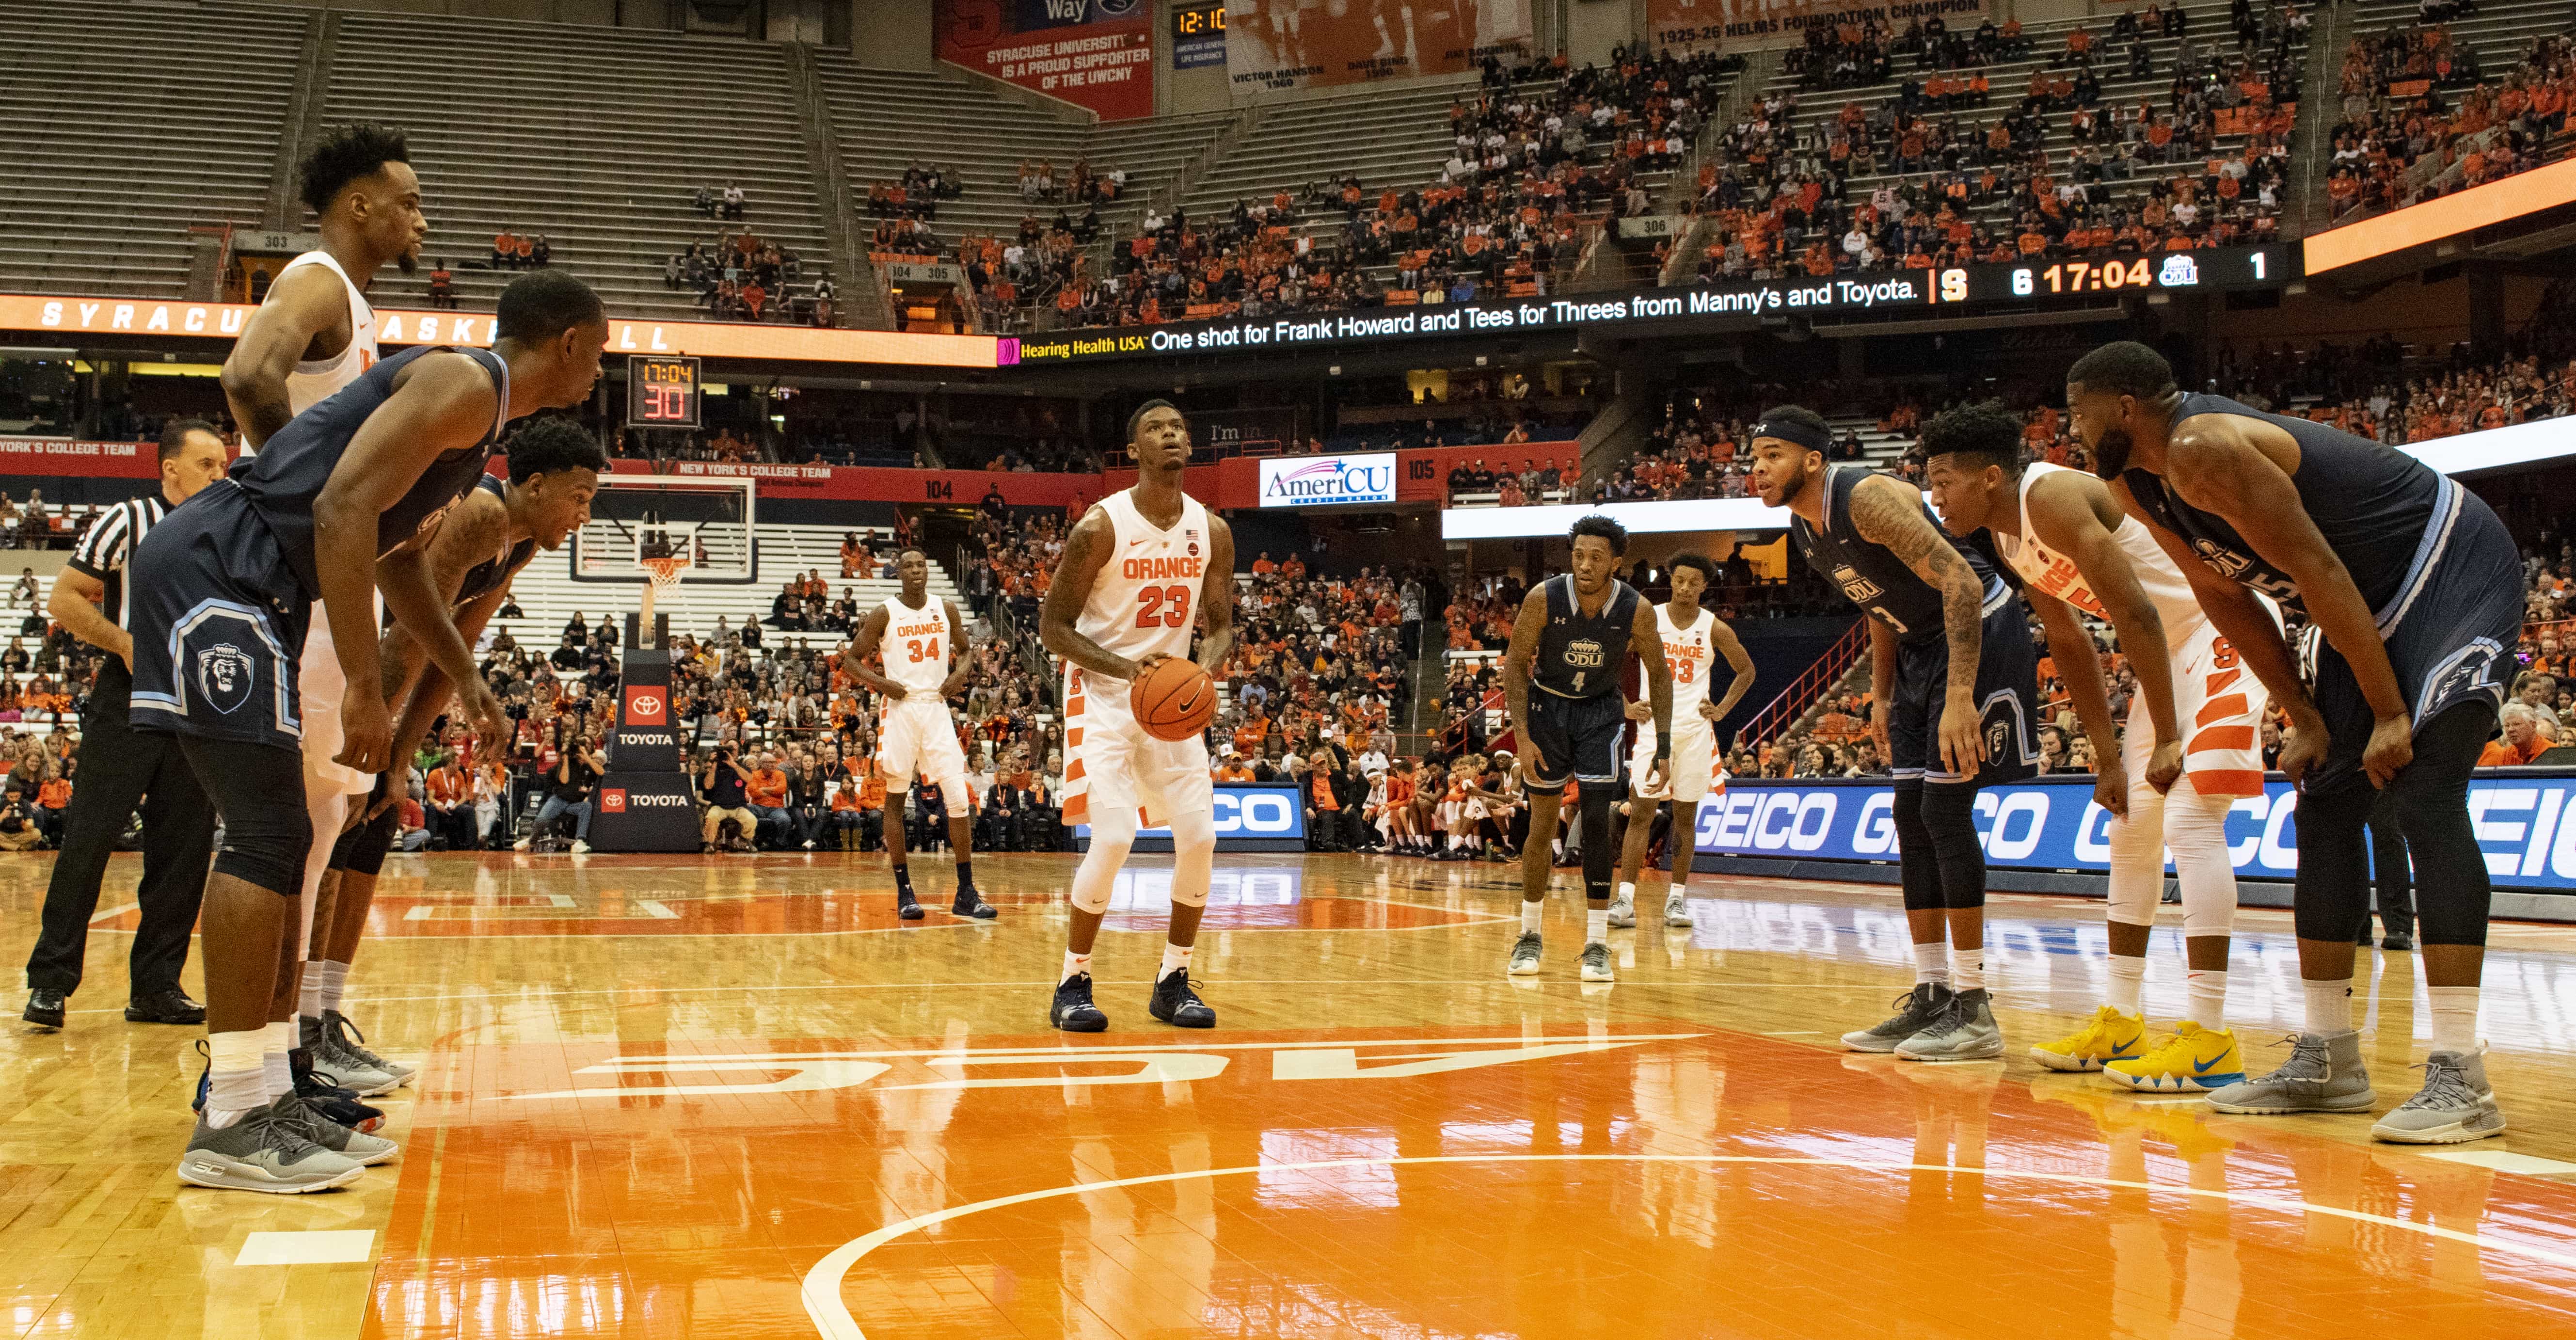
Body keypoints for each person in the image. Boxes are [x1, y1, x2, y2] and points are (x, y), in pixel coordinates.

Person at [131, 266, 606, 1194]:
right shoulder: (466, 384)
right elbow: (338, 510)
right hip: (215, 570)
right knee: (268, 834)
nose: (601, 371)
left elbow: (393, 559)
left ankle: (266, 1090)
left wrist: (464, 679)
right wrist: (361, 683)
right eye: (600, 351)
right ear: (571, 345)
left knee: (283, 835)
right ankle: (232, 1112)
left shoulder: (479, 416)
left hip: (251, 581)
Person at [2069, 340, 2522, 1143]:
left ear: (2123, 407)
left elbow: (2314, 566)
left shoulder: (2201, 446)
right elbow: (2221, 592)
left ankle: (2460, 1072)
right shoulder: (2129, 480)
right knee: (2321, 802)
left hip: (2446, 567)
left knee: (2419, 790)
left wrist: (2385, 710)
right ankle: (2328, 1057)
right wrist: (2303, 716)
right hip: (2358, 606)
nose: (2070, 429)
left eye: (2077, 411)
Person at [1922, 401, 2270, 1093]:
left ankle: (2208, 1041)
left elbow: (2137, 612)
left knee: (2193, 820)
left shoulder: (2049, 495)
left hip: (2221, 632)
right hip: (2167, 656)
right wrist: (2108, 757)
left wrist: (2166, 736)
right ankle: (2121, 1019)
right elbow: (2069, 639)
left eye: (1943, 481)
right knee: (2130, 830)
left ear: (1990, 477)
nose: (1934, 497)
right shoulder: (2006, 538)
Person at [212, 122, 431, 1110]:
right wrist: (294, 491)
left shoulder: (353, 304)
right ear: (358, 206)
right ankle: (246, 1087)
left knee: (315, 824)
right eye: (409, 201)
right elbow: (247, 375)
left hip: (307, 590)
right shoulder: (315, 280)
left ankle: (282, 1063)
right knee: (282, 834)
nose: (420, 218)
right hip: (278, 588)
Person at [1752, 405, 2039, 1063]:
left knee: (1942, 809)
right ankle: (1932, 993)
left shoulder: (1867, 498)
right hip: (1915, 650)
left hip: (1977, 633)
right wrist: (1879, 695)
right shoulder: (1807, 530)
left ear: (1812, 460)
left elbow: (1963, 582)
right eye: (1753, 457)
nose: (1757, 469)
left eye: (1771, 454)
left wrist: (1960, 695)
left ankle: (1974, 1007)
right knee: (1908, 813)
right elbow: (1877, 603)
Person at [318, 417, 602, 1068]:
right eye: (580, 497)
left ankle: (324, 1017)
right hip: (345, 671)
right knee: (335, 842)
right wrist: (378, 748)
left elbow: (454, 651)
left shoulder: (519, 545)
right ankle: (302, 1029)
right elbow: (404, 639)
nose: (586, 513)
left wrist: (401, 759)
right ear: (534, 486)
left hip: (383, 682)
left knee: (372, 833)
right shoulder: (480, 512)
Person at [21, 421, 228, 1032]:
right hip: (128, 695)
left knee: (184, 852)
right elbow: (65, 599)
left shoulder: (227, 528)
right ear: (170, 469)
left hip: (197, 700)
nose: (221, 475)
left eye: (223, 464)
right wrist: (127, 644)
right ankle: (50, 983)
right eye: (208, 464)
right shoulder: (129, 518)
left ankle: (157, 987)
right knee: (88, 839)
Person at [1039, 401, 1236, 1031]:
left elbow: (1222, 625)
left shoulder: (1213, 530)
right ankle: (1072, 982)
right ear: (1134, 452)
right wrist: (1128, 670)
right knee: (1117, 835)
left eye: (1179, 425)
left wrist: (1201, 666)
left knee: (1201, 837)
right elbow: (1052, 628)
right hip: (1102, 695)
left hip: (1169, 705)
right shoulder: (1100, 527)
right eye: (1155, 427)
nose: (1172, 433)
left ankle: (1172, 979)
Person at [1501, 514, 1674, 983]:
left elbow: (1659, 673)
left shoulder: (1636, 608)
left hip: (1601, 714)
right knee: (1541, 825)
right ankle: (1529, 934)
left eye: (1596, 557)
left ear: (1615, 563)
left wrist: (1665, 742)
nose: (1585, 564)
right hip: (1547, 712)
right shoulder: (1544, 598)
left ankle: (1598, 943)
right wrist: (1522, 734)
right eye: (1578, 555)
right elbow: (1516, 664)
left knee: (1597, 823)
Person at [842, 550, 991, 917]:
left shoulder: (947, 608)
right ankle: (904, 892)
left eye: (921, 565)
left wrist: (959, 675)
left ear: (927, 571)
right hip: (902, 708)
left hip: (936, 707)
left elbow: (967, 651)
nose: (915, 571)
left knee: (958, 798)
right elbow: (850, 660)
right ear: (899, 572)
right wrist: (882, 683)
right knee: (895, 797)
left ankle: (966, 893)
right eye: (908, 566)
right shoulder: (885, 612)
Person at [1610, 552, 1754, 931]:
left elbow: (1746, 670)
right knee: (1640, 814)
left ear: (1706, 586)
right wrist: (1626, 704)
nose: (1687, 588)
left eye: (1695, 582)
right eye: (1680, 580)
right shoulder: (1648, 617)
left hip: (1694, 733)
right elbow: (1610, 659)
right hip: (1652, 731)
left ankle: (1676, 901)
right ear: (1670, 580)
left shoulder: (1714, 627)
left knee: (1685, 819)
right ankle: (1625, 899)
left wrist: (1721, 710)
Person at [521, 736, 604, 851]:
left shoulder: (590, 765)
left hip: (575, 804)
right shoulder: (568, 763)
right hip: (559, 800)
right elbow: (564, 780)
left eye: (586, 745)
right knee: (541, 820)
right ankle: (531, 841)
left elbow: (601, 772)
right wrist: (565, 759)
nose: (582, 749)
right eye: (580, 746)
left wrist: (586, 758)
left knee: (587, 807)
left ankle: (580, 841)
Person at [700, 747, 759, 850]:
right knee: (711, 818)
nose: (727, 755)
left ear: (736, 754)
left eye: (730, 752)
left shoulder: (741, 767)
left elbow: (749, 779)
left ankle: (745, 840)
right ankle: (710, 844)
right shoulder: (715, 767)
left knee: (752, 820)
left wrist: (733, 765)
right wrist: (714, 766)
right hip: (719, 806)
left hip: (738, 807)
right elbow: (708, 786)